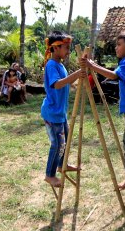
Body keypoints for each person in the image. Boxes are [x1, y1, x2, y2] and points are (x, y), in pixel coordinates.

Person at [82, 31, 125, 190]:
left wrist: (92, 66)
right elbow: (113, 74)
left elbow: (113, 76)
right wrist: (93, 65)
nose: (116, 48)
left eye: (119, 45)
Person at [41, 31, 87, 187]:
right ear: (55, 48)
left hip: (60, 113)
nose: (68, 51)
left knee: (65, 141)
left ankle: (62, 165)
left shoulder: (60, 65)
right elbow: (57, 84)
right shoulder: (51, 65)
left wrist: (75, 80)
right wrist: (75, 74)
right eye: (66, 48)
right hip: (52, 113)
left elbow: (65, 83)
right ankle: (49, 174)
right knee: (57, 144)